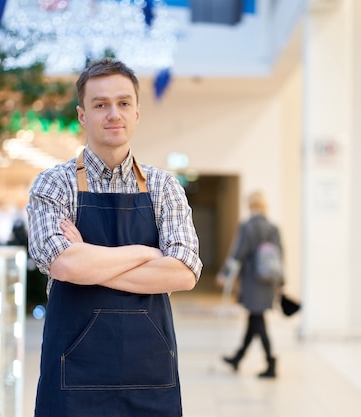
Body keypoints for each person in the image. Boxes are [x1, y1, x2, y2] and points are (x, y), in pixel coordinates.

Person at [27, 58, 203, 417]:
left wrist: (87, 260)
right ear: (82, 115)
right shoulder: (52, 185)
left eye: (123, 103)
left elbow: (183, 273)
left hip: (150, 373)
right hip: (72, 375)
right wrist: (147, 252)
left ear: (137, 113)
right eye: (100, 104)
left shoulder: (163, 186)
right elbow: (63, 264)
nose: (113, 114)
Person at [216, 191, 283, 378]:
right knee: (255, 318)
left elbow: (238, 253)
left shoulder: (247, 227)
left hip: (253, 280)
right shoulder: (273, 228)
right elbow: (280, 255)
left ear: (250, 205)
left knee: (257, 319)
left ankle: (271, 362)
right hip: (270, 280)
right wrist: (282, 282)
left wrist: (226, 274)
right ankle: (238, 357)